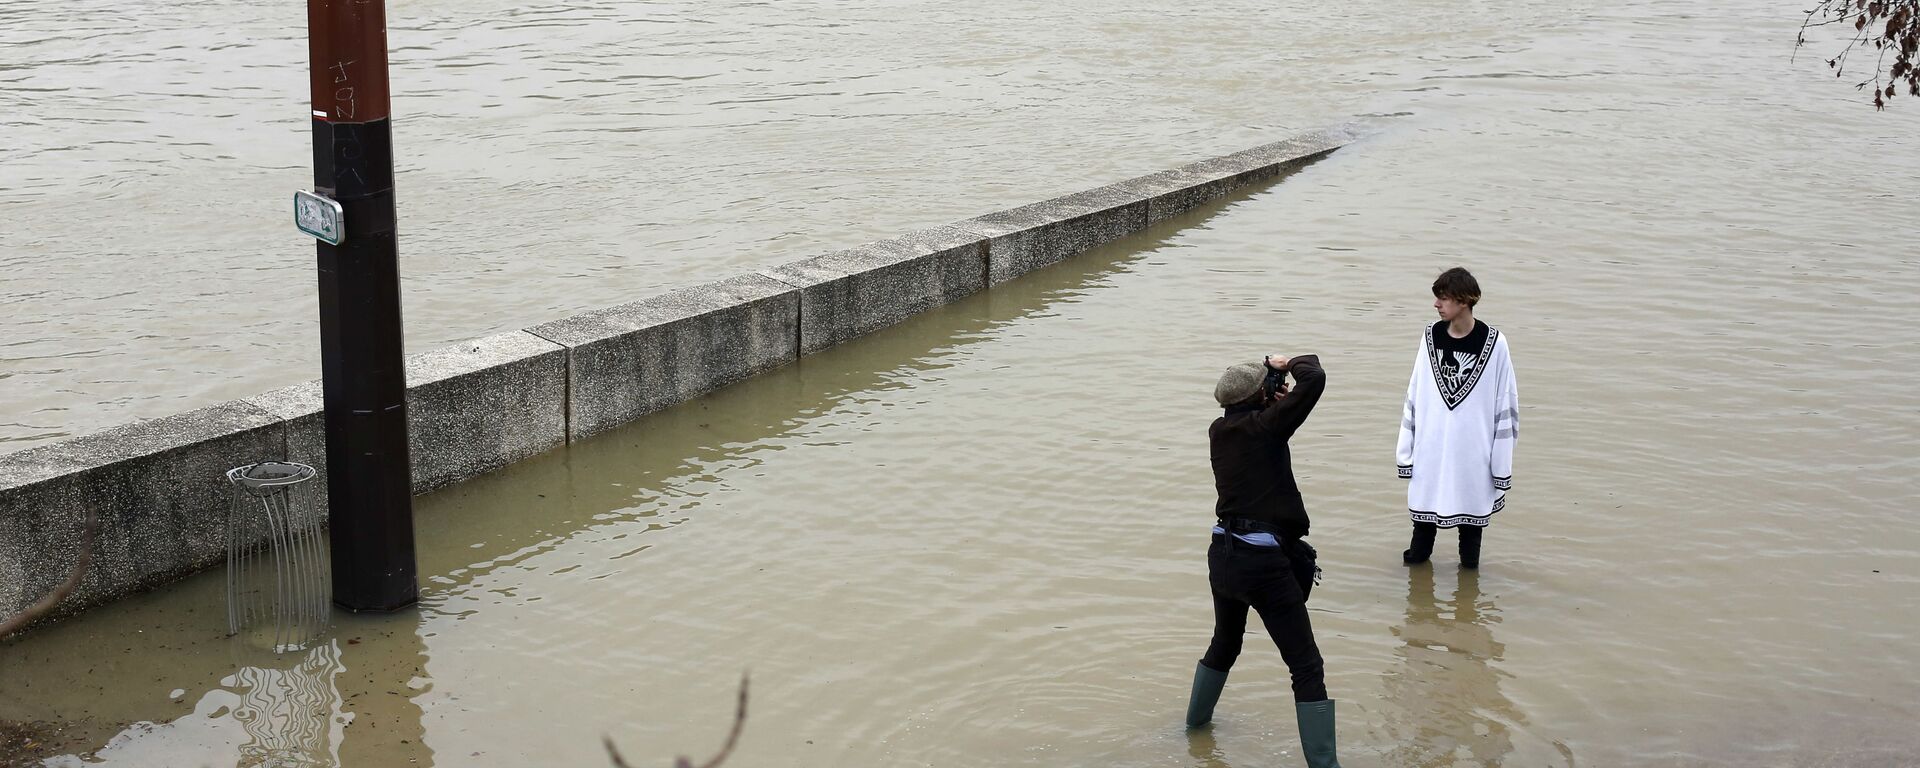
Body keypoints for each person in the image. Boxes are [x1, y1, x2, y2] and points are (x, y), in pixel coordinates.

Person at [1185, 353, 1341, 768]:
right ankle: (1326, 765)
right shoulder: (1266, 427)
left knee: (1225, 644)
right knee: (1306, 666)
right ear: (1261, 396)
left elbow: (1258, 414)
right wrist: (1288, 362)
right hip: (1263, 563)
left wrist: (1266, 386)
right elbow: (1316, 378)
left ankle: (1194, 732)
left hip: (1223, 554)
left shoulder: (1220, 430)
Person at [1396, 267, 1519, 568]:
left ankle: (1467, 585)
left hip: (1473, 453)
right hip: (1432, 449)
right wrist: (1407, 449)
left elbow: (1506, 404)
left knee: (1471, 546)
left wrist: (1500, 462)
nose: (1436, 304)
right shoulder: (1430, 337)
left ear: (1463, 301)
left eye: (1443, 298)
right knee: (1420, 544)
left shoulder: (1495, 343)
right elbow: (1415, 393)